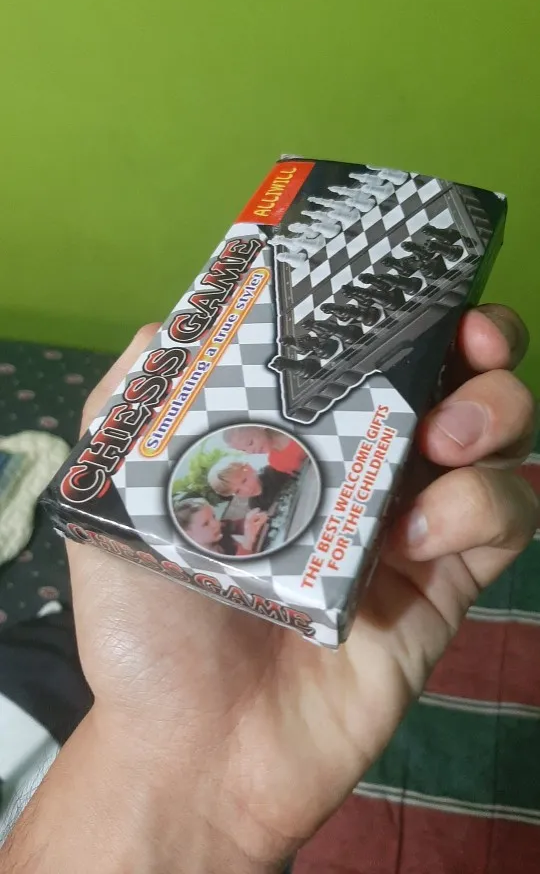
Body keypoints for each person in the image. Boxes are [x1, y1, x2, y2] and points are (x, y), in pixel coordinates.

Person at [3, 305, 538, 874]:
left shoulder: (257, 473)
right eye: (228, 487)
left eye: (236, 473)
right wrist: (189, 784)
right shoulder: (240, 517)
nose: (238, 481)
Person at [173, 495, 267, 557]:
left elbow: (243, 524)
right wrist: (248, 542)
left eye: (214, 516)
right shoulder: (201, 561)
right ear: (188, 535)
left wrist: (256, 519)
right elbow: (237, 571)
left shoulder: (221, 527)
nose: (216, 524)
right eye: (206, 524)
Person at [208, 457, 291, 510]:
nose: (247, 489)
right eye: (237, 491)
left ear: (249, 468)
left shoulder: (276, 470)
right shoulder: (255, 505)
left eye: (244, 481)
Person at [223, 427, 307, 476]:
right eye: (244, 450)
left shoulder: (294, 433)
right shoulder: (275, 462)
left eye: (250, 443)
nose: (251, 451)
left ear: (260, 427)